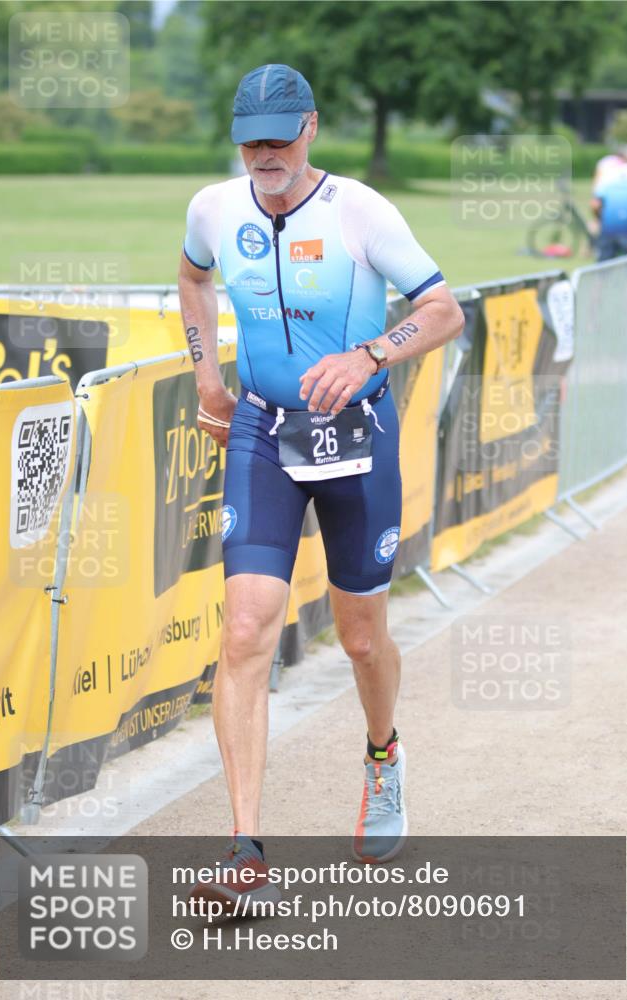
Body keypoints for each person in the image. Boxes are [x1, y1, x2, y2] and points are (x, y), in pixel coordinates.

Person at [178, 64, 464, 910]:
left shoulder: (360, 211)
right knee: (244, 631)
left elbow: (444, 308)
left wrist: (371, 353)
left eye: (277, 137)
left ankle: (384, 758)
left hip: (357, 439)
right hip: (264, 432)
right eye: (249, 139)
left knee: (362, 637)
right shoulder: (213, 209)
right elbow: (193, 279)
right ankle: (244, 852)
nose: (263, 154)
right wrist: (207, 383)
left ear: (309, 129)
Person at [591, 143, 627, 261]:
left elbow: (595, 204)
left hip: (608, 231)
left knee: (603, 271)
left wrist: (599, 220)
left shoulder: (610, 173)